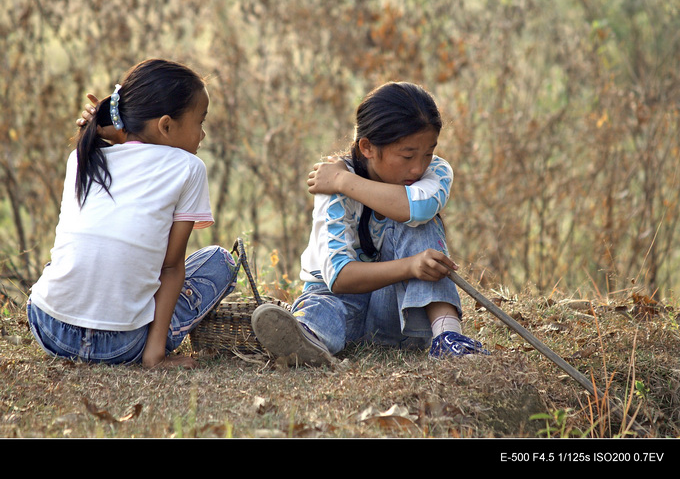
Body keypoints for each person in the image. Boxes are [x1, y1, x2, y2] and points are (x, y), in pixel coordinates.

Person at [251, 81, 489, 366]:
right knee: (321, 305)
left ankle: (448, 337)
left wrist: (343, 181)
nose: (419, 167)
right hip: (339, 306)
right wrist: (409, 265)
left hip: (397, 313)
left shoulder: (434, 172)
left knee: (420, 221)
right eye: (408, 155)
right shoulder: (332, 189)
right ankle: (304, 339)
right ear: (367, 148)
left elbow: (416, 208)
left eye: (427, 153)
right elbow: (338, 279)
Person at [27, 59, 239, 369]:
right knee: (220, 261)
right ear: (166, 126)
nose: (203, 134)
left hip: (50, 328)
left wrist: (119, 136)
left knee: (73, 258)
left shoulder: (84, 156)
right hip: (122, 345)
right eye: (201, 121)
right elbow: (170, 267)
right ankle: (147, 342)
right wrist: (154, 356)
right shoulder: (189, 168)